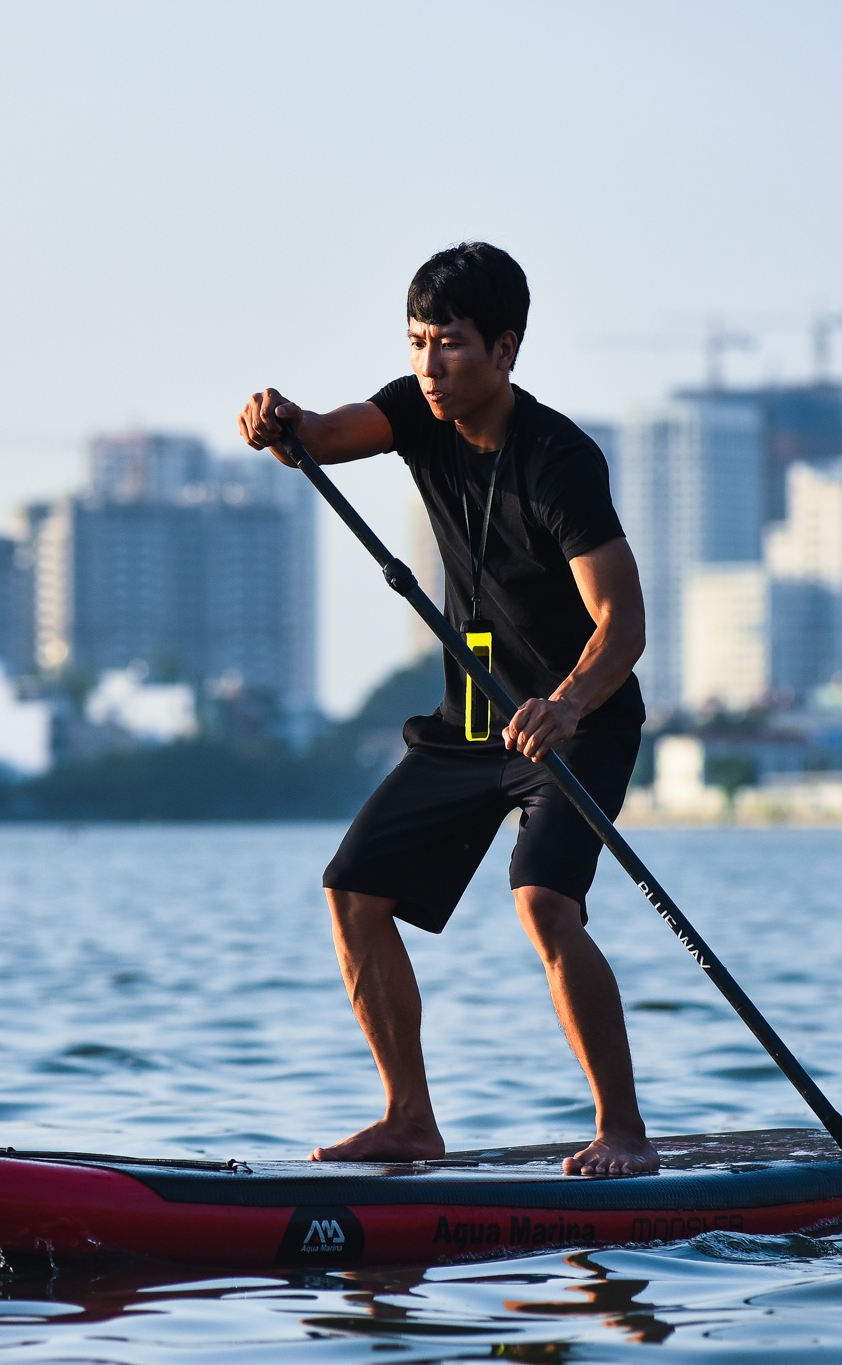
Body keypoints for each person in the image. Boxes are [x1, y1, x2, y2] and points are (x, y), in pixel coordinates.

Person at [237, 242, 660, 1176]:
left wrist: (567, 701)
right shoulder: (414, 412)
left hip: (578, 719)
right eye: (418, 341)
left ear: (505, 350)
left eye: (453, 345)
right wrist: (280, 419)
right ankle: (409, 1121)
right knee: (354, 893)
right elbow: (323, 433)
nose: (430, 366)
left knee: (545, 902)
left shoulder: (560, 461)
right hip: (471, 716)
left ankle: (622, 1131)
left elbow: (623, 622)